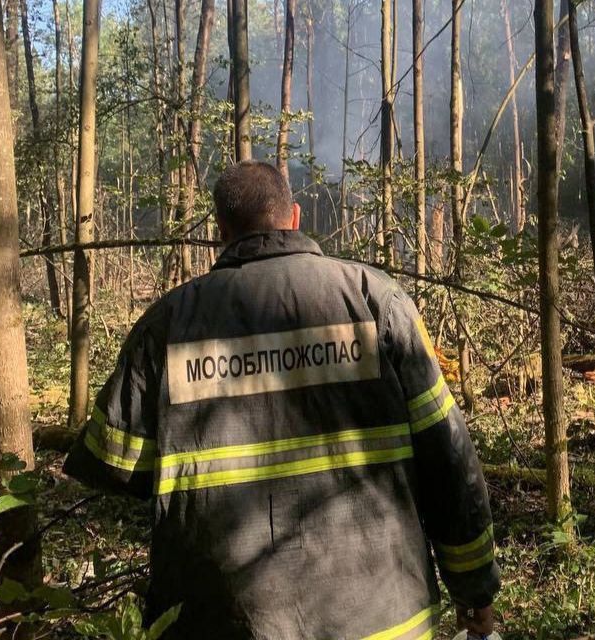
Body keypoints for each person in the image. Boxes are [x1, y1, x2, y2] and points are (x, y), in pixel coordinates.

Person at [63, 161, 500, 639]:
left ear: (223, 231)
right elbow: (449, 459)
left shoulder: (168, 325)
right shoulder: (377, 302)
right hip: (379, 620)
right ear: (293, 217)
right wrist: (474, 591)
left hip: (223, 623)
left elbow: (115, 462)